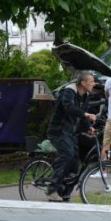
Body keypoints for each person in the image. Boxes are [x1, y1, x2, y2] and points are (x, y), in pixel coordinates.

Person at [46, 70, 97, 201]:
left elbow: (81, 113)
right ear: (83, 83)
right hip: (58, 131)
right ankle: (52, 188)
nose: (94, 84)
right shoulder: (68, 92)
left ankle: (65, 191)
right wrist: (86, 115)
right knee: (67, 155)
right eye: (91, 82)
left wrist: (88, 127)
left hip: (70, 133)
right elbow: (69, 108)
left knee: (75, 163)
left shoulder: (85, 95)